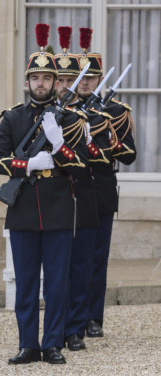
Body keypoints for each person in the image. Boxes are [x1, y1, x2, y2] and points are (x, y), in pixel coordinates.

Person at [0, 24, 89, 365]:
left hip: (59, 208)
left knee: (58, 283)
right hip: (24, 207)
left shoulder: (71, 120)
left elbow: (81, 166)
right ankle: (28, 344)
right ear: (27, 82)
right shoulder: (14, 118)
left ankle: (53, 343)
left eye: (47, 77)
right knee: (27, 282)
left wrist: (59, 145)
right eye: (36, 78)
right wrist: (28, 163)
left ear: (55, 81)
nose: (41, 83)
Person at [81, 29, 137, 339]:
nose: (87, 82)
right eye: (83, 77)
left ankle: (92, 317)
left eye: (93, 77)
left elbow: (129, 155)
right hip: (69, 191)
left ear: (101, 78)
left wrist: (109, 137)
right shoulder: (68, 111)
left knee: (96, 258)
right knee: (71, 257)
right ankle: (70, 315)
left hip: (100, 191)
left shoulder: (116, 112)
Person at [54, 27, 100, 352]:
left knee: (81, 266)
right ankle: (55, 329)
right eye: (64, 81)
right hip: (52, 199)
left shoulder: (91, 117)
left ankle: (75, 328)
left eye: (74, 81)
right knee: (57, 270)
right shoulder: (39, 115)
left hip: (82, 197)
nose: (70, 86)